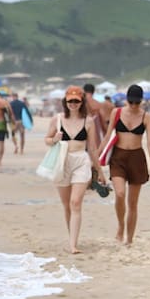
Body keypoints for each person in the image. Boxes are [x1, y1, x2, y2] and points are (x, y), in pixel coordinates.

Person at [44, 85, 107, 254]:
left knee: (75, 202)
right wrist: (54, 139)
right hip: (62, 162)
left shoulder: (88, 121)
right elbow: (47, 140)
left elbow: (92, 148)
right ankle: (72, 235)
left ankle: (73, 245)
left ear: (81, 102)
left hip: (81, 161)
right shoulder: (57, 119)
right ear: (65, 101)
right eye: (70, 100)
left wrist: (100, 172)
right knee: (66, 205)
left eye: (76, 101)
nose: (73, 104)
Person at [108, 84, 150, 245]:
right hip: (118, 157)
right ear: (127, 100)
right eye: (131, 102)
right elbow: (107, 136)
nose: (134, 106)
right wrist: (96, 160)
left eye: (137, 103)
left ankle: (129, 239)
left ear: (141, 101)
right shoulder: (116, 112)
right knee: (120, 193)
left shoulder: (146, 117)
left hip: (137, 158)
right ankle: (120, 226)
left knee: (133, 203)